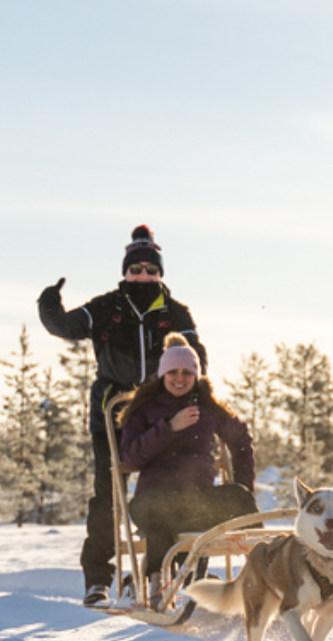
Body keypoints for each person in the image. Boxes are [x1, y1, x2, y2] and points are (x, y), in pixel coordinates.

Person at [39, 225, 209, 607]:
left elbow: (195, 354)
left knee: (167, 490)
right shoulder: (107, 307)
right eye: (136, 270)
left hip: (160, 418)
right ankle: (98, 579)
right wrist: (49, 306)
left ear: (159, 273)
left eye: (150, 270)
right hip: (112, 417)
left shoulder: (174, 312)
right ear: (126, 272)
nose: (143, 276)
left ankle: (165, 570)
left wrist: (194, 386)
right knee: (108, 495)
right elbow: (66, 326)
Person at [116, 333, 257, 605]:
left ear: (196, 375)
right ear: (163, 374)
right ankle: (158, 583)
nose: (179, 379)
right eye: (173, 372)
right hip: (154, 499)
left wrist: (243, 484)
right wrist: (169, 427)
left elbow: (241, 440)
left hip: (196, 499)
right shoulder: (145, 409)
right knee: (162, 511)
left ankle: (267, 572)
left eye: (187, 373)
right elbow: (131, 456)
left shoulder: (207, 407)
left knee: (239, 496)